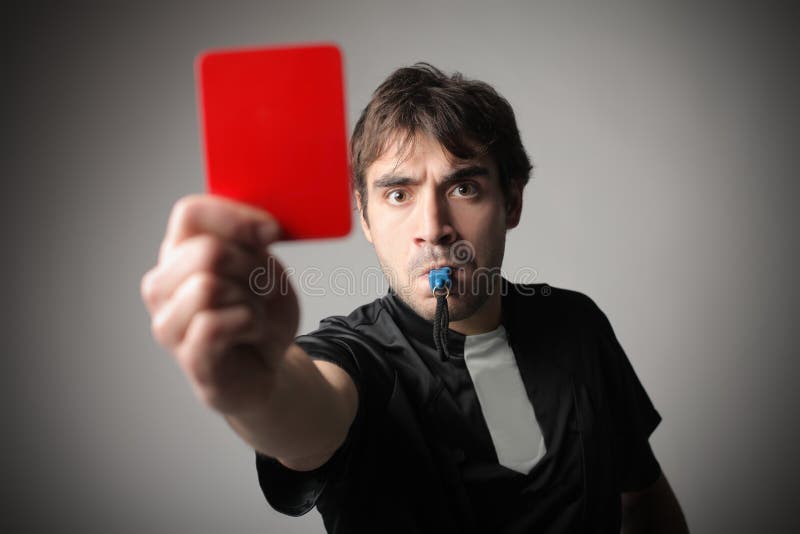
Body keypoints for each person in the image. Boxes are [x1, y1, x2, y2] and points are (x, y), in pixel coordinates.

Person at [141, 63, 689, 533]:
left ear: (512, 201)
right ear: (366, 217)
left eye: (464, 187)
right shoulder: (355, 356)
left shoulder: (577, 325)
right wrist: (255, 384)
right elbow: (305, 412)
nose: (433, 227)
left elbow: (642, 500)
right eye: (399, 193)